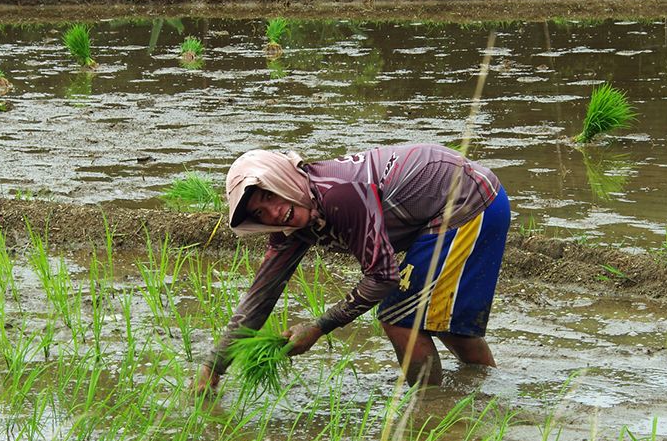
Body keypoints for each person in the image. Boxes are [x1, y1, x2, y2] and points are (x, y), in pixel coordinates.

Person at [193, 143, 509, 394]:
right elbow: (259, 299)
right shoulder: (294, 224)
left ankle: (429, 411)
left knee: (398, 318)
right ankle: (488, 395)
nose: (275, 213)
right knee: (439, 323)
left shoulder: (337, 195)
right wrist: (213, 368)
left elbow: (383, 277)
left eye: (268, 196)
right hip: (461, 203)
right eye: (261, 213)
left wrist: (318, 327)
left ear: (283, 180)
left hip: (468, 200)